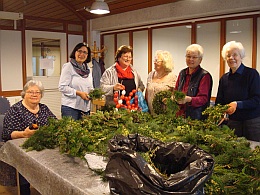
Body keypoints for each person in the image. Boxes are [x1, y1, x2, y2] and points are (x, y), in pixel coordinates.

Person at [2, 79, 56, 195]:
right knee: (25, 162)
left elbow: (56, 123)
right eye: (31, 92)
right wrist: (24, 134)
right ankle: (25, 191)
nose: (34, 95)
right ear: (24, 94)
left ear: (41, 95)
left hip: (43, 146)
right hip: (22, 147)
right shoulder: (16, 110)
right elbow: (7, 134)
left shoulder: (44, 108)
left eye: (38, 92)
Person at [215, 41, 260, 141]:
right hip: (233, 123)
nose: (231, 58)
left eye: (235, 55)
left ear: (241, 56)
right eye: (228, 55)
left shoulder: (252, 74)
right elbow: (219, 101)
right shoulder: (224, 79)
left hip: (252, 123)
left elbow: (257, 99)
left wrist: (237, 104)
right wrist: (221, 112)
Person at [175, 44, 213, 120]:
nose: (191, 59)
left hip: (196, 117)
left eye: (194, 57)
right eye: (188, 56)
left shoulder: (204, 76)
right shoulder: (182, 73)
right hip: (179, 115)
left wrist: (188, 99)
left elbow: (203, 99)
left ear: (200, 60)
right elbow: (176, 90)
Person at [58, 42, 93, 120]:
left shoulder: (88, 69)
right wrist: (79, 93)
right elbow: (62, 87)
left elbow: (90, 87)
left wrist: (93, 94)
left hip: (85, 107)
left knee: (84, 131)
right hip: (70, 107)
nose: (81, 54)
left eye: (85, 52)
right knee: (71, 131)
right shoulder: (68, 67)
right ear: (75, 52)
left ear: (87, 55)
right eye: (79, 51)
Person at [145, 50, 177, 115]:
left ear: (165, 63)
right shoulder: (151, 75)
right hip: (149, 113)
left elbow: (175, 96)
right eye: (154, 60)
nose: (154, 62)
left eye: (157, 61)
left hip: (165, 114)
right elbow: (147, 93)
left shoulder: (172, 77)